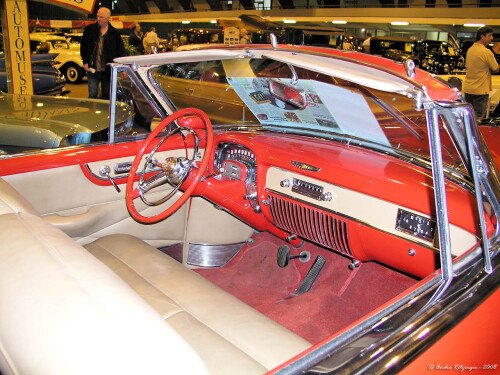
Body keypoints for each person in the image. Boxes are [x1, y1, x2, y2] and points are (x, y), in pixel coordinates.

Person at [80, 7, 125, 99]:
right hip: (92, 69)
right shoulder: (89, 30)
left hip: (107, 71)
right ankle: (91, 112)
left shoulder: (115, 33)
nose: (98, 19)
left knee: (106, 95)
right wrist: (85, 62)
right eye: (97, 16)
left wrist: (122, 67)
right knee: (93, 94)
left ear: (108, 18)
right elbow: (83, 47)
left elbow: (120, 51)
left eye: (101, 17)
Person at [463, 26, 499, 119]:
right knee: (478, 117)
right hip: (480, 90)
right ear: (482, 36)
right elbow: (495, 68)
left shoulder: (470, 50)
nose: (491, 38)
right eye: (489, 35)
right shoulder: (486, 52)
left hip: (469, 88)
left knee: (469, 116)